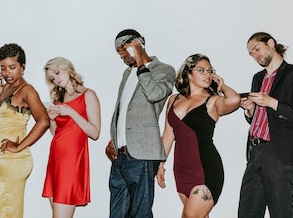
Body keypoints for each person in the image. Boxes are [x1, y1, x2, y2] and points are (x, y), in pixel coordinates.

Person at [237, 32, 293, 218]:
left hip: (280, 154)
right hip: (255, 151)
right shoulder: (258, 78)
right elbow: (260, 117)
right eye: (251, 53)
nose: (255, 55)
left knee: (280, 212)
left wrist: (272, 102)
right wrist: (250, 111)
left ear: (271, 43)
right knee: (247, 213)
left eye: (257, 48)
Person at [156, 54, 241, 218]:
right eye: (201, 70)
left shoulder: (213, 102)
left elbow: (234, 100)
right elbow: (168, 135)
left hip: (206, 169)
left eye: (210, 71)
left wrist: (222, 86)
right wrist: (160, 165)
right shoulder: (173, 100)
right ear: (188, 73)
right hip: (181, 170)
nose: (207, 74)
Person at [105, 29, 175, 218]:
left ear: (137, 43)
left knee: (140, 214)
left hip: (142, 154)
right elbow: (124, 109)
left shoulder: (164, 70)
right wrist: (115, 140)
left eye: (124, 51)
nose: (122, 57)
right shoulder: (127, 74)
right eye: (119, 54)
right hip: (120, 157)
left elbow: (154, 95)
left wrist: (140, 63)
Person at [0, 43, 50, 218]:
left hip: (15, 161)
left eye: (12, 67)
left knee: (5, 214)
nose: (7, 73)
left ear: (22, 68)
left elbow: (44, 121)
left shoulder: (27, 90)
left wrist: (18, 146)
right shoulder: (5, 89)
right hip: (2, 161)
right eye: (3, 68)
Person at [41, 57, 101, 218]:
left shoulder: (88, 95)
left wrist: (71, 112)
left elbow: (95, 133)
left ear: (68, 69)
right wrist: (52, 118)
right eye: (52, 77)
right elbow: (56, 133)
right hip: (56, 161)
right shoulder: (58, 99)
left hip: (72, 163)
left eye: (57, 72)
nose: (56, 78)